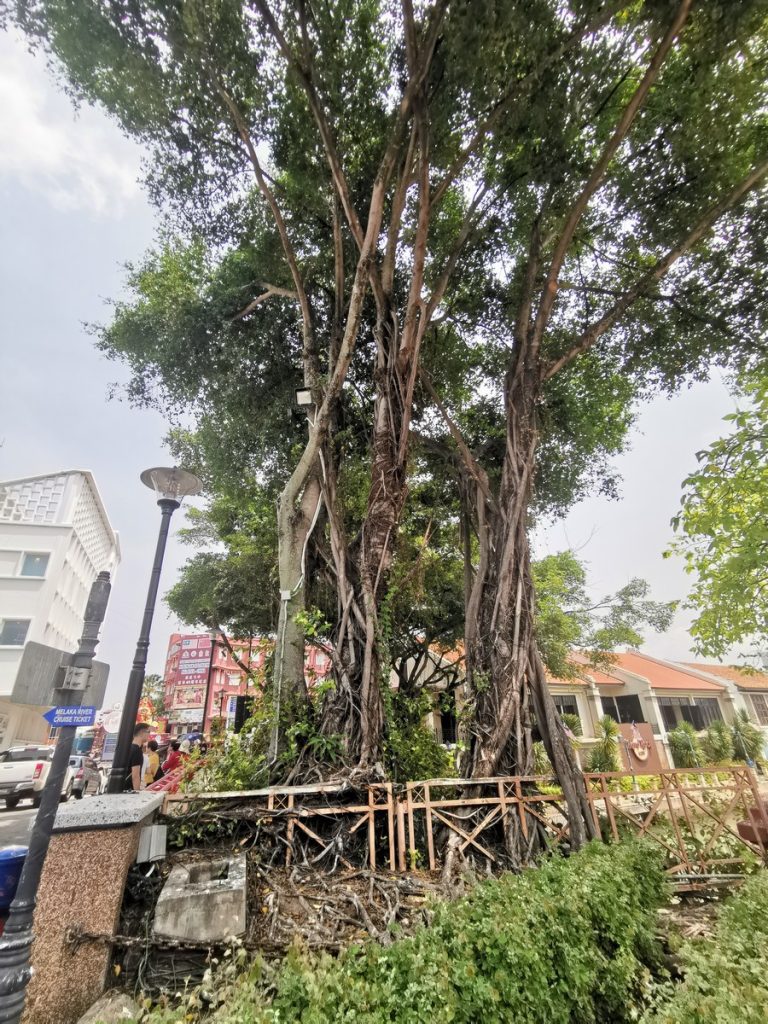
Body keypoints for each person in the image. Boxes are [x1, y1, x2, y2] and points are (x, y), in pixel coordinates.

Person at [128, 722, 150, 792]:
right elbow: (135, 776)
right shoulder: (137, 751)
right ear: (141, 733)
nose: (149, 735)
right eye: (148, 732)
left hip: (123, 789)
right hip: (130, 790)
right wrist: (137, 793)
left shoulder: (128, 748)